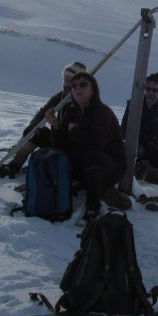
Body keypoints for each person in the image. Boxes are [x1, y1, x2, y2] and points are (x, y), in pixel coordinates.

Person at [47, 70, 129, 222]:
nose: (78, 88)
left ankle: (93, 206)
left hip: (111, 167)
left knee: (91, 157)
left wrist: (75, 130)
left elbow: (96, 145)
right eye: (74, 85)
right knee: (55, 151)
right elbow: (62, 145)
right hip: (85, 163)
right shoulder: (71, 112)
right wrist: (56, 126)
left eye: (83, 85)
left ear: (93, 89)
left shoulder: (103, 112)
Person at [0, 61, 86, 177]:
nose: (66, 83)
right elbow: (43, 111)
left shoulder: (83, 103)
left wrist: (56, 126)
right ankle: (14, 167)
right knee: (35, 132)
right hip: (57, 140)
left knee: (39, 134)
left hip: (69, 150)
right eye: (65, 80)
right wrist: (33, 126)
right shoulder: (62, 96)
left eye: (70, 81)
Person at [121, 72, 158, 185]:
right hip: (136, 146)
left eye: (155, 90)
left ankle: (144, 170)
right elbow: (123, 128)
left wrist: (155, 147)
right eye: (148, 89)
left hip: (155, 150)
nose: (151, 92)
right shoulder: (133, 105)